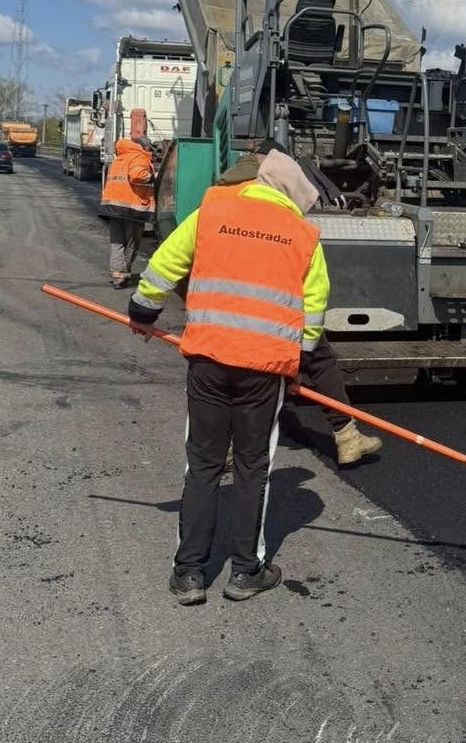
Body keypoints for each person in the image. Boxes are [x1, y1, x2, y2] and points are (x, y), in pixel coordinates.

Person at [126, 149, 329, 606]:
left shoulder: (215, 208)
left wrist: (144, 309)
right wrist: (299, 364)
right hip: (263, 370)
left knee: (202, 464)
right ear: (291, 196)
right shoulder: (303, 234)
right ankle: (245, 572)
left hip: (209, 360)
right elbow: (313, 311)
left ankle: (189, 574)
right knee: (253, 467)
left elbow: (166, 261)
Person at [215, 141, 383, 467]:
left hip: (221, 299)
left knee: (227, 374)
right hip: (269, 298)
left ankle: (225, 446)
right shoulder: (264, 187)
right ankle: (347, 437)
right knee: (318, 359)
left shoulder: (222, 188)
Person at [98, 136, 155, 288]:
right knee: (131, 243)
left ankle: (117, 276)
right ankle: (124, 274)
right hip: (132, 209)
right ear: (145, 147)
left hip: (112, 207)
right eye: (150, 148)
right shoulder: (139, 157)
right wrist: (153, 177)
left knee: (117, 243)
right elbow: (137, 175)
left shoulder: (120, 158)